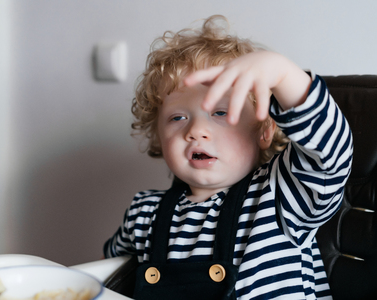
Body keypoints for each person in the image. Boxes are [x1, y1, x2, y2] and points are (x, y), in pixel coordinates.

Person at [104, 15, 353, 299]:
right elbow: (108, 278)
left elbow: (330, 155)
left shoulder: (281, 195)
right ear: (158, 135)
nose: (196, 131)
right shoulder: (143, 213)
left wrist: (283, 74)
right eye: (177, 117)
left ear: (264, 130)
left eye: (220, 112)